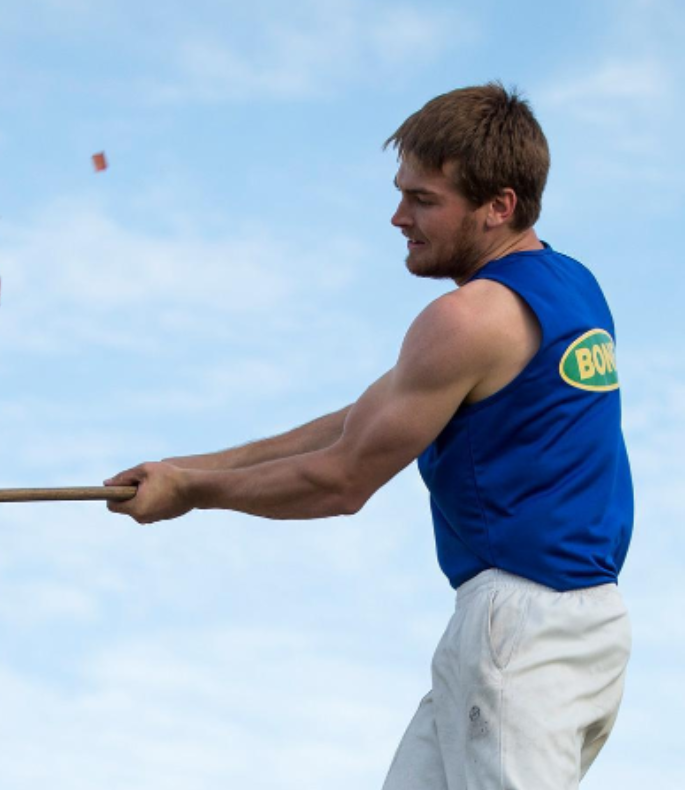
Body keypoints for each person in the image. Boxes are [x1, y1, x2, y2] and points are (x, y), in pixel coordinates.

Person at [103, 82, 633, 789]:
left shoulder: (467, 319)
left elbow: (343, 479)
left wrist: (194, 494)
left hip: (518, 630)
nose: (397, 216)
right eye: (402, 192)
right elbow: (360, 420)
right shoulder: (572, 287)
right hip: (578, 624)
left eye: (424, 200)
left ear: (499, 206)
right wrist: (178, 467)